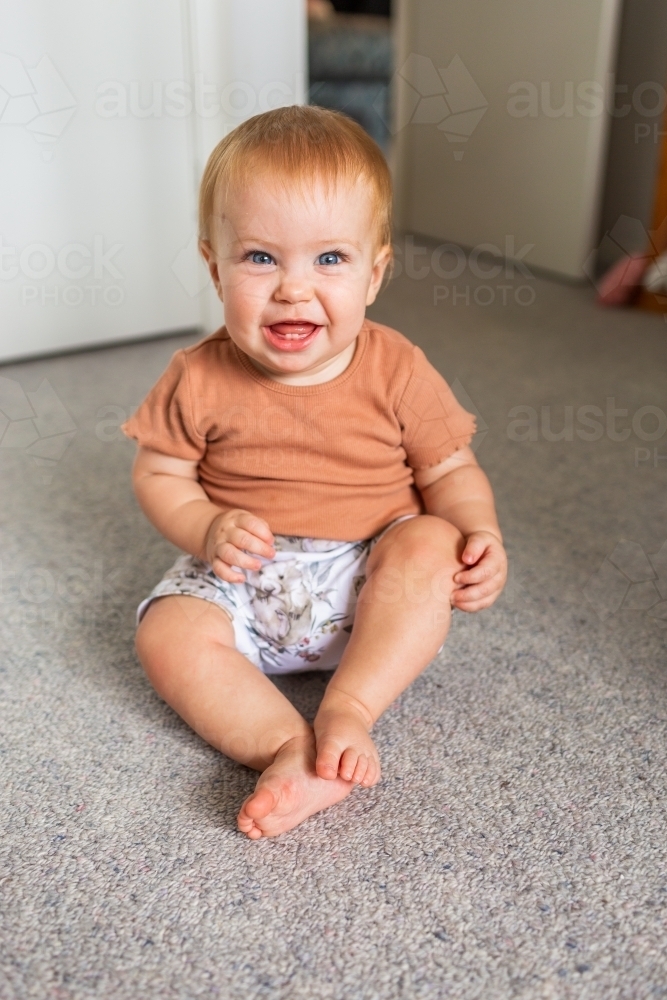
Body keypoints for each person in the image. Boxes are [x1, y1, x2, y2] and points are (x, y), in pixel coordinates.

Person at [122, 106, 507, 839]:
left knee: (425, 542)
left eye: (329, 259)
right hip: (242, 575)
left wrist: (477, 532)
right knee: (165, 632)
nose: (293, 288)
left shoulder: (397, 368)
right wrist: (207, 525)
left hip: (367, 578)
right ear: (214, 266)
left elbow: (449, 468)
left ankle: (349, 707)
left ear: (374, 273)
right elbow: (160, 475)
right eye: (260, 258)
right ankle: (287, 748)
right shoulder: (196, 375)